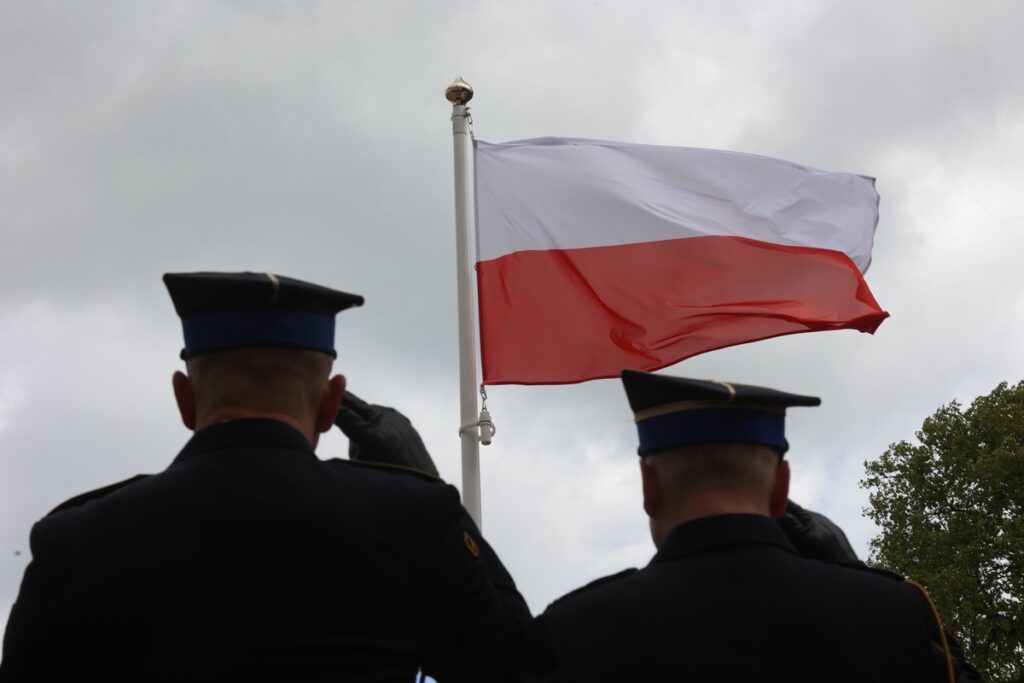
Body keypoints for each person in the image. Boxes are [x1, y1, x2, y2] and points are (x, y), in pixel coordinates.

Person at [0, 271, 530, 682]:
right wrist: (428, 489)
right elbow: (524, 668)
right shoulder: (413, 519)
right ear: (330, 402)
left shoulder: (75, 540)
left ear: (185, 399)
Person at [528, 369, 976, 682]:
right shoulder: (896, 617)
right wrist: (852, 577)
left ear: (650, 486)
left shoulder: (576, 633)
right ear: (781, 487)